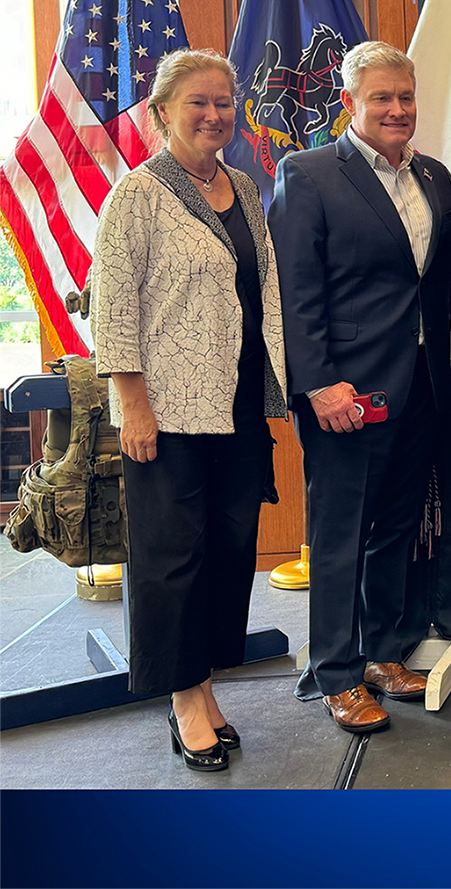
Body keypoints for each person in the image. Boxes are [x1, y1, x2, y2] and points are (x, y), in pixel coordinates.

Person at [268, 40, 451, 732]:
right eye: (382, 97)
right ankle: (334, 673)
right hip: (346, 393)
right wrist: (319, 385)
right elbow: (293, 295)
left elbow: (443, 282)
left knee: (393, 527)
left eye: (406, 97)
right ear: (350, 102)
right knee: (339, 534)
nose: (397, 109)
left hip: (420, 384)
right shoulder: (306, 174)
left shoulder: (436, 178)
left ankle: (382, 654)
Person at [91, 48, 288, 772]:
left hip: (235, 405)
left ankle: (204, 680)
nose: (213, 116)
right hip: (165, 412)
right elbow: (112, 311)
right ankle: (184, 698)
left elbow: (260, 292)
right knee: (171, 558)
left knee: (229, 549)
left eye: (223, 103)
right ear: (163, 112)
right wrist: (132, 405)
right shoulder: (136, 196)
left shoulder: (242, 185)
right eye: (197, 103)